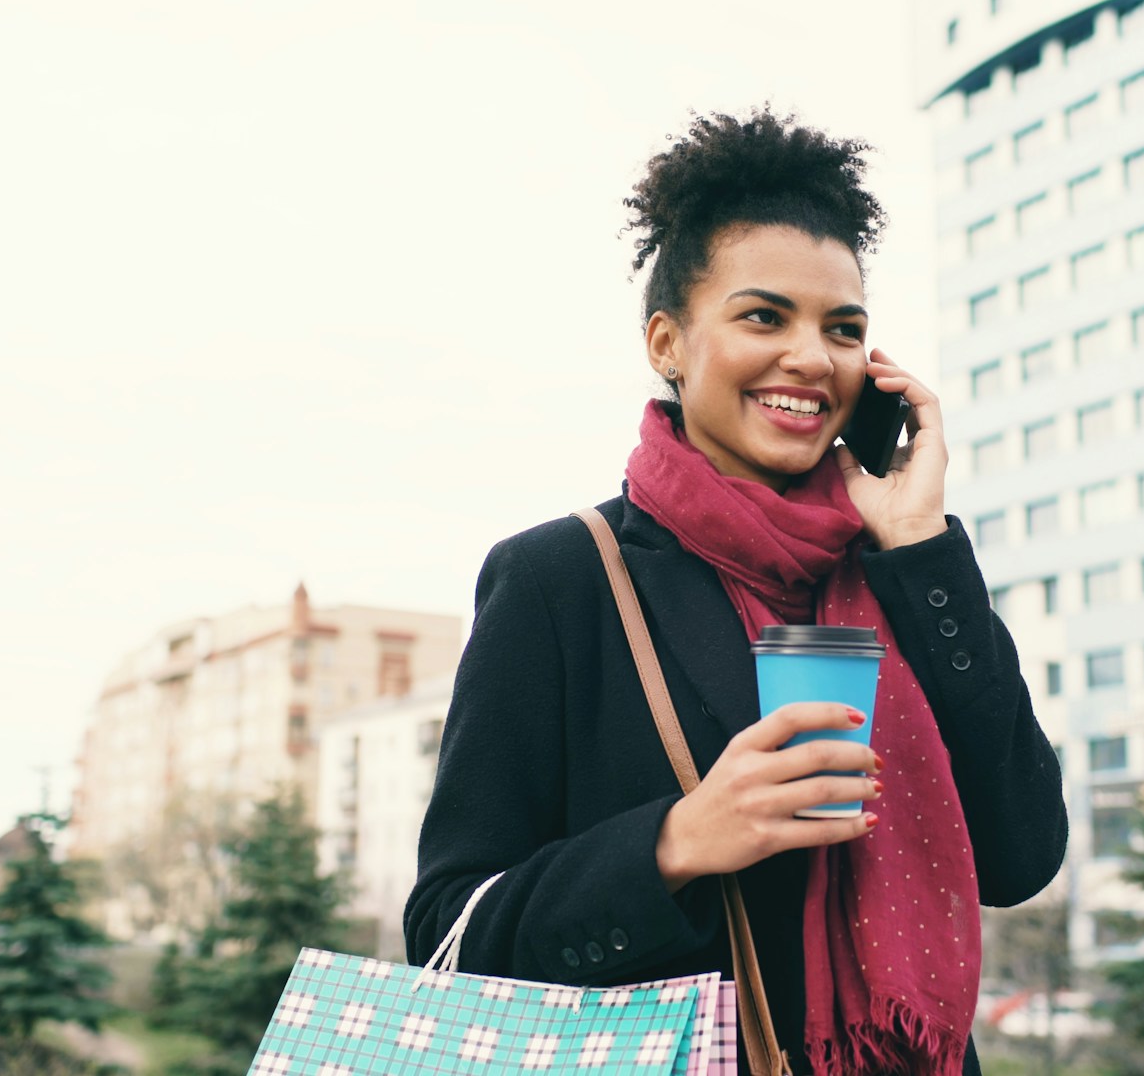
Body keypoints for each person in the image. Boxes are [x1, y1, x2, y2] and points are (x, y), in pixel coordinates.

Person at [406, 109, 1066, 1076]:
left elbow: (1021, 855)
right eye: (765, 317)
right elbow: (444, 934)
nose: (812, 358)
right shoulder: (562, 578)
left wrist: (923, 546)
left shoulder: (901, 574)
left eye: (845, 330)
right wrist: (675, 843)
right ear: (668, 342)